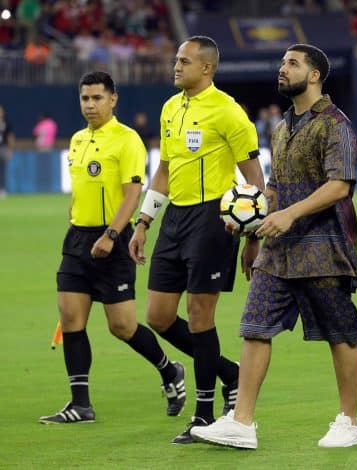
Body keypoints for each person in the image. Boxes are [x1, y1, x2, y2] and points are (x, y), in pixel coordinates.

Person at [190, 43, 357, 450]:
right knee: (255, 327)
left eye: (292, 63)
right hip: (277, 249)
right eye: (283, 62)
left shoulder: (336, 124)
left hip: (324, 245)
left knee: (341, 334)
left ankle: (350, 422)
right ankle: (242, 422)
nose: (282, 69)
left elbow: (340, 185)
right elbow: (274, 186)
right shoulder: (282, 125)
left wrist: (290, 214)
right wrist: (252, 228)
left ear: (315, 75)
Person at [128, 36, 265, 444]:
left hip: (212, 219)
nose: (176, 66)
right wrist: (143, 222)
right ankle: (229, 373)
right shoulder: (171, 108)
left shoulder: (228, 112)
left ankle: (204, 416)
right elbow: (164, 171)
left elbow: (254, 179)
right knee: (158, 315)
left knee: (201, 315)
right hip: (175, 218)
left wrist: (252, 235)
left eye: (184, 61)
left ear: (207, 68)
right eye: (176, 60)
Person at [39, 71, 185, 424]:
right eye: (85, 98)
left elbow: (132, 194)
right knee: (71, 318)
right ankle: (80, 404)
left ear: (113, 99)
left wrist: (112, 234)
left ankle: (170, 372)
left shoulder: (127, 140)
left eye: (97, 98)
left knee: (121, 326)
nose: (90, 105)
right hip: (76, 240)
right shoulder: (76, 140)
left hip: (111, 240)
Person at [0, 105, 15, 197]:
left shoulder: (6, 123)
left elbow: (10, 137)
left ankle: (2, 189)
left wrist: (10, 149)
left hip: (3, 148)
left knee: (3, 170)